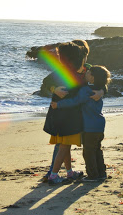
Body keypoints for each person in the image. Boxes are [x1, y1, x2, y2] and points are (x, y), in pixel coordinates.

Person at [43, 42, 104, 185]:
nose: (84, 58)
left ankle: (66, 172)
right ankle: (53, 172)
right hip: (64, 113)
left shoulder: (88, 70)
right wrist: (54, 89)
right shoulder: (64, 71)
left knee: (65, 145)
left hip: (75, 114)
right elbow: (46, 82)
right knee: (63, 144)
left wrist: (102, 91)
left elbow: (101, 81)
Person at [51, 65, 111, 182]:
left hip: (90, 127)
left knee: (88, 152)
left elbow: (75, 101)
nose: (86, 73)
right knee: (97, 150)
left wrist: (59, 105)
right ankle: (101, 173)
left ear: (92, 78)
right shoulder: (98, 89)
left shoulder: (86, 90)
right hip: (99, 125)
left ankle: (93, 175)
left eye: (88, 72)